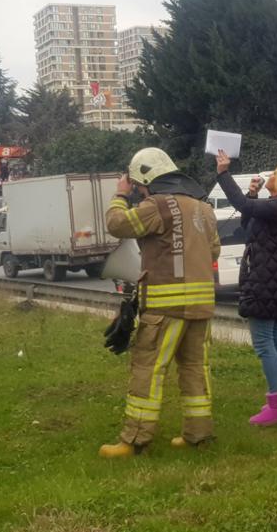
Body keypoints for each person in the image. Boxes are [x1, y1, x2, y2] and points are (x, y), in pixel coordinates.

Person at [99, 148, 220, 457]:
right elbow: (214, 252)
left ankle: (134, 441)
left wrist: (120, 195)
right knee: (195, 367)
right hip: (202, 305)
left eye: (139, 187)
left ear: (146, 179)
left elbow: (117, 225)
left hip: (166, 307)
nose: (140, 192)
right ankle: (198, 435)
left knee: (148, 369)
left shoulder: (157, 205)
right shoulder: (203, 208)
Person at [216, 152, 277, 426]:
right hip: (275, 281)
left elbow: (239, 205)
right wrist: (252, 194)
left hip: (264, 281)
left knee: (263, 342)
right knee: (275, 339)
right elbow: (247, 222)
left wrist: (223, 172)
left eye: (274, 173)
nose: (269, 176)